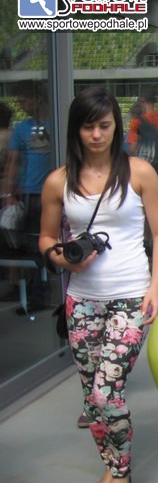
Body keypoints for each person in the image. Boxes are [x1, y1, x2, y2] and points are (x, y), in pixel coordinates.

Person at [38, 86, 158, 483]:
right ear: (75, 130)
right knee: (91, 396)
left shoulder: (139, 172)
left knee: (106, 390)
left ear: (116, 126)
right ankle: (111, 466)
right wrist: (63, 258)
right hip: (81, 300)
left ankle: (121, 472)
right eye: (87, 126)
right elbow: (46, 237)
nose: (96, 134)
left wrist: (155, 287)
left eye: (104, 125)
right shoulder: (58, 180)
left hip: (131, 295)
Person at [3, 80, 53, 312]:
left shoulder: (55, 123)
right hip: (30, 193)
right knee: (30, 245)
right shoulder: (22, 128)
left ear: (37, 98)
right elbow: (13, 162)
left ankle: (41, 291)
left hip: (49, 192)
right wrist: (9, 193)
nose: (21, 105)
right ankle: (34, 293)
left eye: (24, 100)